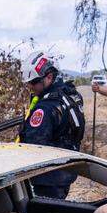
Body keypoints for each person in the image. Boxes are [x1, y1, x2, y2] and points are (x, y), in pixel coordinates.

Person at [18, 50, 86, 198]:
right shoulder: (71, 94)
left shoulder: (46, 108)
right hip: (66, 171)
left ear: (49, 77)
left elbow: (32, 145)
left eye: (34, 82)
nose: (30, 86)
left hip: (48, 177)